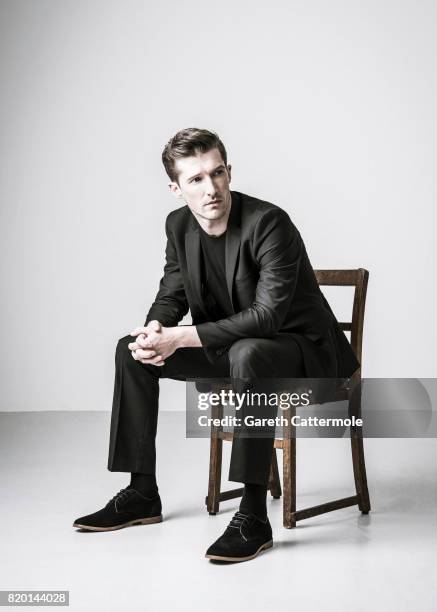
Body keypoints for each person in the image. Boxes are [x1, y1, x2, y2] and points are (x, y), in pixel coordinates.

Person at [73, 128, 359, 562]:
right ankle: (141, 492)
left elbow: (267, 318)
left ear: (229, 172)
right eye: (196, 179)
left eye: (217, 173)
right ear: (176, 189)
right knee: (130, 350)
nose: (210, 188)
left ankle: (252, 516)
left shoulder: (268, 223)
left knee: (249, 352)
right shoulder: (178, 225)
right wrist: (155, 332)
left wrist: (181, 338)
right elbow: (173, 293)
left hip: (305, 353)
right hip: (234, 351)